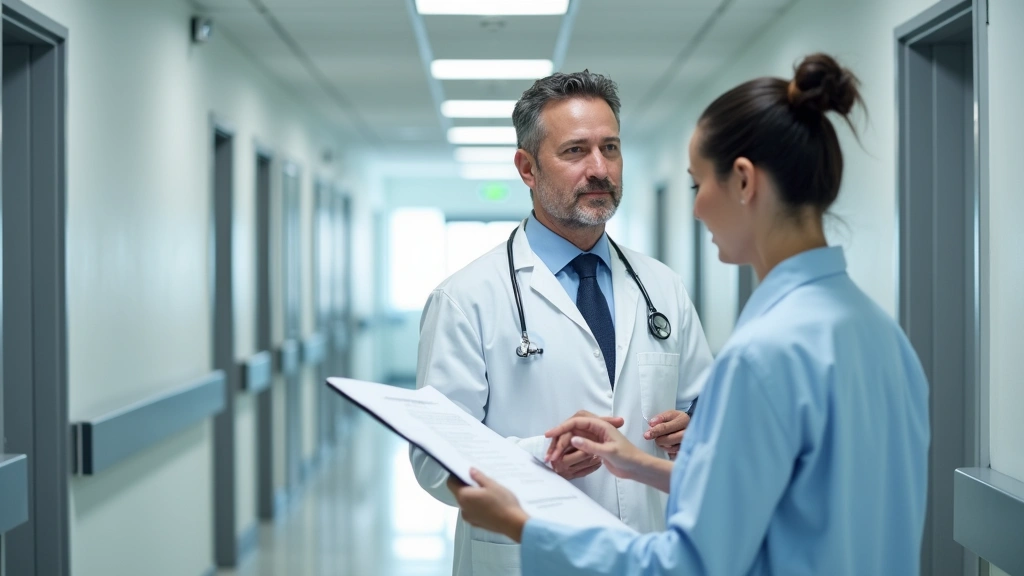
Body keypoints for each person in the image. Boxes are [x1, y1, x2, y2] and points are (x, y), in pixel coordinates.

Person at [447, 53, 931, 575]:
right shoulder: (885, 336)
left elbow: (690, 563)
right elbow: (785, 496)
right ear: (528, 167)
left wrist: (524, 527)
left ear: (744, 182)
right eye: (575, 150)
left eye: (698, 184)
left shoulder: (762, 353)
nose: (696, 208)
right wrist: (637, 462)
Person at [410, 70, 714, 576]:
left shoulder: (662, 287)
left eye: (610, 148)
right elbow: (432, 462)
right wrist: (540, 456)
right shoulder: (465, 298)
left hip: (647, 552)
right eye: (575, 151)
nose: (600, 169)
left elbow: (704, 409)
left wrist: (695, 430)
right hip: (525, 560)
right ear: (527, 168)